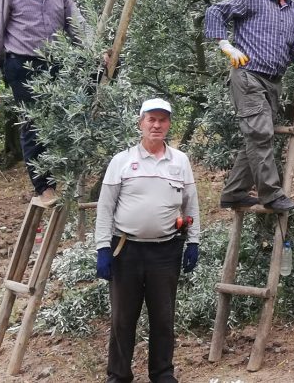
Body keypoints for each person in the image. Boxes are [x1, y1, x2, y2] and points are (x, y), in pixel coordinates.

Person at [94, 98, 201, 383]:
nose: (156, 125)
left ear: (169, 124)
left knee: (163, 317)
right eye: (151, 119)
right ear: (140, 123)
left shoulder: (180, 161)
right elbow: (105, 207)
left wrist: (193, 242)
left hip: (166, 250)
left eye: (162, 120)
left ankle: (162, 373)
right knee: (122, 319)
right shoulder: (122, 161)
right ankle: (118, 375)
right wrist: (102, 249)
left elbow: (191, 205)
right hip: (125, 249)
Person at [204, 0, 294, 212]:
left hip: (273, 81)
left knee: (256, 137)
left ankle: (234, 193)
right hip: (249, 74)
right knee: (261, 135)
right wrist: (225, 45)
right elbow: (215, 11)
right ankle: (271, 195)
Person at [0, 0, 84, 207]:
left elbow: (79, 28)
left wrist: (97, 51)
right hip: (22, 65)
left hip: (58, 64)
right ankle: (44, 187)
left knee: (70, 115)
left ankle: (68, 174)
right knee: (34, 123)